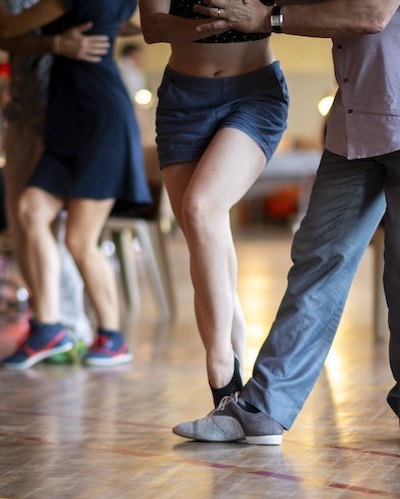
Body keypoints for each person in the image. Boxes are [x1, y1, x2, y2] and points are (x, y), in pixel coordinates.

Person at [172, 0, 400, 448]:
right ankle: (261, 410)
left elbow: (371, 14)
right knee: (317, 259)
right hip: (358, 119)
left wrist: (266, 18)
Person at [138, 1, 288, 409]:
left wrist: (259, 18)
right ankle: (233, 398)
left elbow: (295, 14)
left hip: (254, 93)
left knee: (200, 208)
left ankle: (221, 369)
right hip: (184, 100)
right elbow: (152, 27)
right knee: (204, 237)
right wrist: (219, 23)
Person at [0, 0, 151, 369]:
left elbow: (10, 31)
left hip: (101, 120)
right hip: (68, 119)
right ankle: (48, 327)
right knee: (30, 209)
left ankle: (113, 336)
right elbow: (136, 22)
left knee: (79, 239)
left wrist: (59, 38)